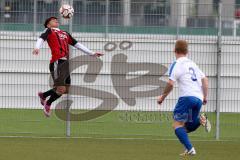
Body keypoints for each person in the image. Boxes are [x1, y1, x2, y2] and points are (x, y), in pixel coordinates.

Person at [32, 17, 103, 117]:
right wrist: (37, 47)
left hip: (66, 64)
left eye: (56, 19)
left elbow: (77, 44)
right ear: (48, 25)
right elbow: (41, 38)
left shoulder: (65, 33)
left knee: (65, 89)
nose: (56, 20)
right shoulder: (49, 30)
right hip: (57, 62)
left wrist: (92, 53)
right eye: (53, 20)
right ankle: (48, 103)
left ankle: (43, 95)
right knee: (60, 89)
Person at [157, 40, 211, 156]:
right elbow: (205, 80)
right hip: (199, 98)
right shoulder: (193, 64)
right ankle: (201, 120)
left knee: (177, 125)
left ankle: (191, 149)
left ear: (175, 51)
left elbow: (170, 84)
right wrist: (204, 97)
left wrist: (162, 97)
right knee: (186, 127)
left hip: (187, 98)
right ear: (187, 51)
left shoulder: (176, 64)